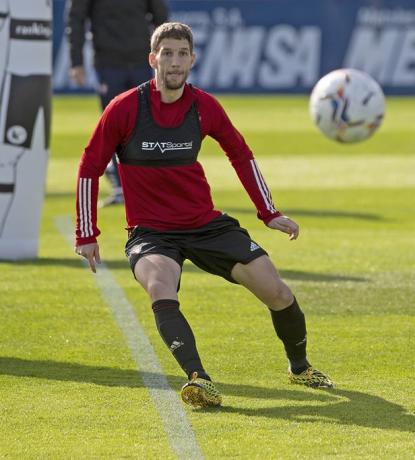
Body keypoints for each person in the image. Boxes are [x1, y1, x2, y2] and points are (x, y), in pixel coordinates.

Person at [73, 22, 334, 408]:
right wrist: (86, 233)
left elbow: (240, 153)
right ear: (153, 59)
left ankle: (300, 368)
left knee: (276, 291)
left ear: (192, 60)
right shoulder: (125, 107)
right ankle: (199, 379)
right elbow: (90, 167)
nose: (175, 62)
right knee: (160, 287)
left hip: (205, 225)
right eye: (167, 54)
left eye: (182, 54)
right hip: (151, 233)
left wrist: (268, 212)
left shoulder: (204, 106)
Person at [66, 0, 169, 207]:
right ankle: (122, 187)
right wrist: (76, 61)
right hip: (108, 61)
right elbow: (76, 20)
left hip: (140, 59)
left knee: (146, 123)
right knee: (114, 124)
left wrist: (165, 53)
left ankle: (146, 185)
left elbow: (160, 16)